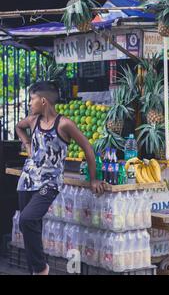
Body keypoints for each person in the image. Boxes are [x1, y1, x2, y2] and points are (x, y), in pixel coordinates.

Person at [15, 81, 106, 275]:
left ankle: (41, 268)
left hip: (49, 183)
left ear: (43, 101)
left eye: (32, 99)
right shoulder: (33, 120)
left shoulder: (64, 124)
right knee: (31, 228)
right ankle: (35, 271)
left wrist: (93, 179)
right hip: (27, 181)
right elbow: (18, 127)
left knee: (26, 219)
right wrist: (27, 144)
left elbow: (88, 149)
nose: (30, 103)